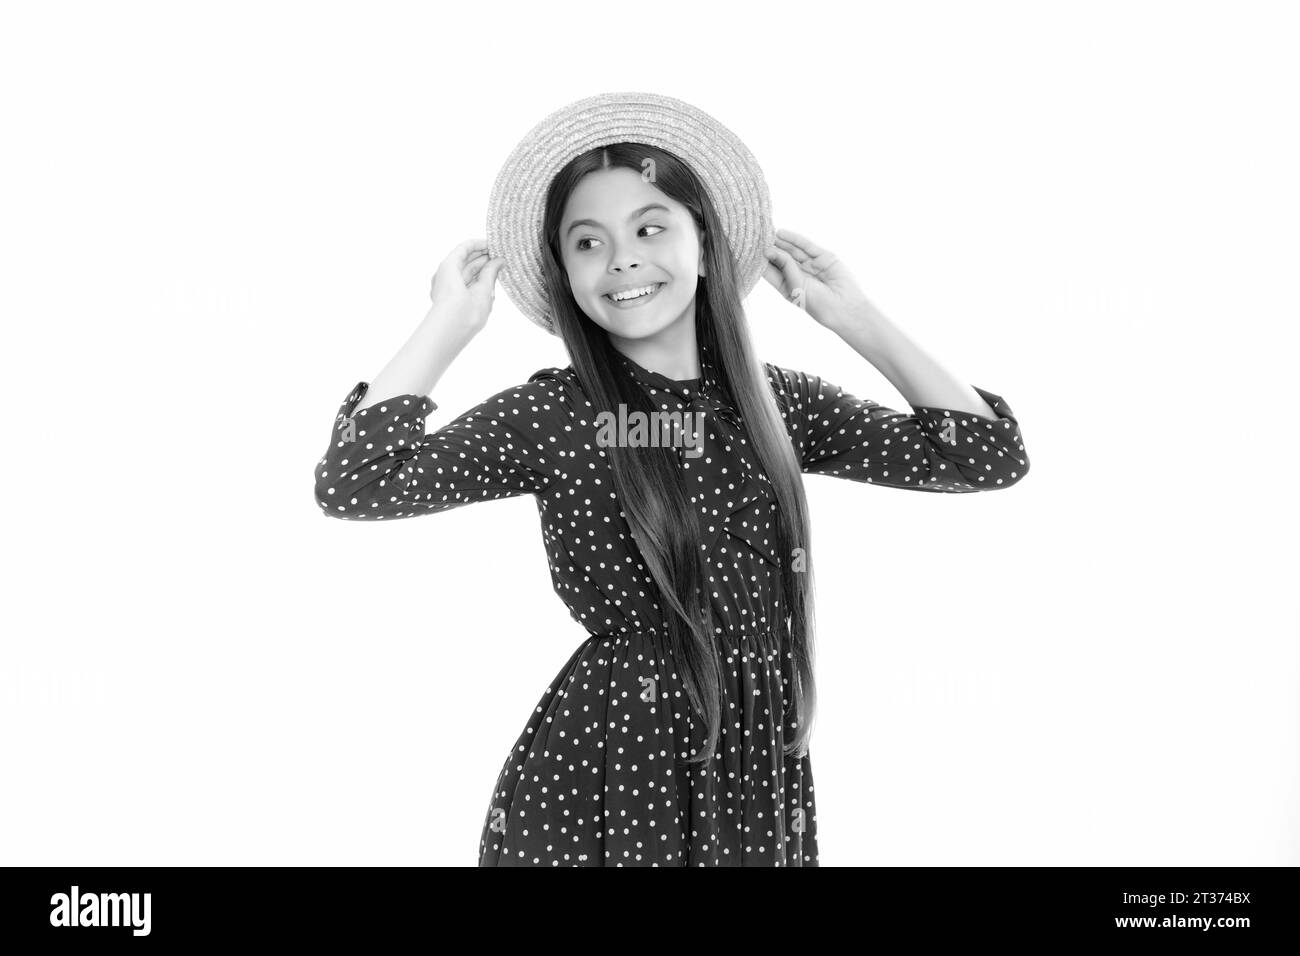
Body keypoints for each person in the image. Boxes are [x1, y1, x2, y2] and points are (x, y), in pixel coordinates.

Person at [313, 93, 1030, 866]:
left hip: (757, 760)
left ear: (704, 242)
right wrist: (446, 327)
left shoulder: (777, 404)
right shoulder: (555, 412)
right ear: (565, 274)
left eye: (650, 228)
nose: (621, 258)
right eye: (587, 242)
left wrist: (853, 316)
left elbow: (985, 457)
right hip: (611, 764)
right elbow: (356, 483)